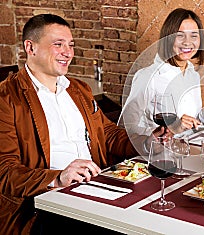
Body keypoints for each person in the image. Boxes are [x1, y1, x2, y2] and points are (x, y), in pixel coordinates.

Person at [0, 14, 166, 235]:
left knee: (157, 216)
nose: (68, 53)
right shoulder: (6, 98)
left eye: (70, 45)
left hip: (96, 189)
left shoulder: (79, 89)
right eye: (58, 44)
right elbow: (5, 171)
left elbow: (107, 135)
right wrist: (58, 177)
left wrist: (147, 142)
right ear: (31, 48)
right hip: (41, 207)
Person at [118, 8, 204, 137]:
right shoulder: (148, 77)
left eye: (194, 35)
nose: (188, 42)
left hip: (188, 149)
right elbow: (125, 127)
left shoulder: (193, 75)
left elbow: (190, 120)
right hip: (158, 152)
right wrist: (168, 130)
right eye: (180, 35)